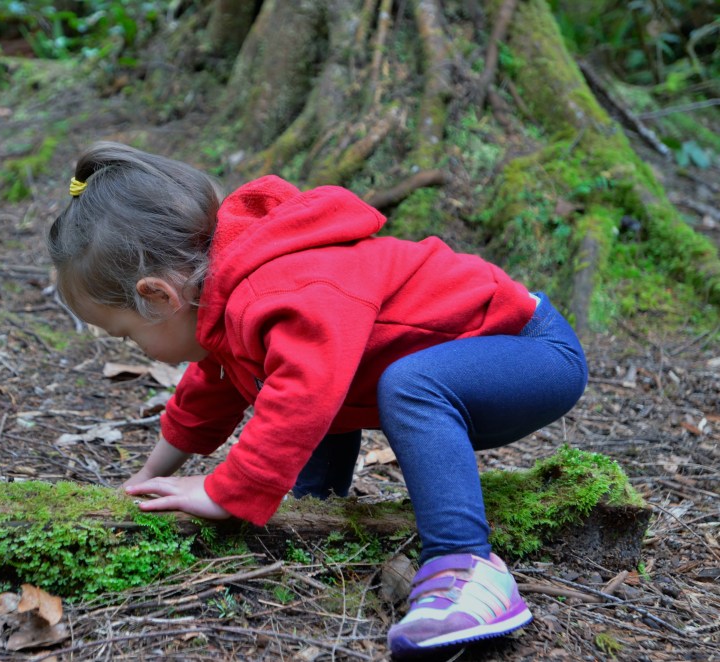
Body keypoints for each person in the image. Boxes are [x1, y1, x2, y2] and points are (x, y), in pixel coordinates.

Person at [46, 141, 588, 658]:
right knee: (334, 375)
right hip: (478, 369)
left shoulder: (281, 288)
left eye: (125, 336)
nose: (135, 349)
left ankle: (466, 566)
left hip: (530, 353)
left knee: (395, 383)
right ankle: (315, 507)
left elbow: (303, 394)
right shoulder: (225, 298)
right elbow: (208, 394)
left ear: (158, 296)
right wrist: (142, 483)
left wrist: (227, 490)